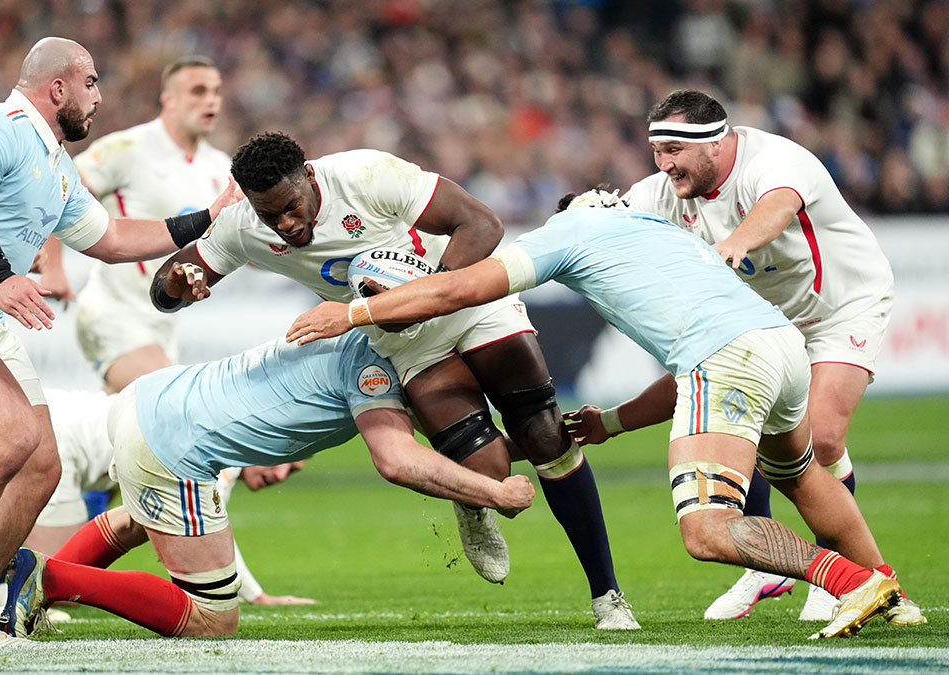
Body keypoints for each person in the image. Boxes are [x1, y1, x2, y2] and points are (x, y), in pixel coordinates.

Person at [286, 190, 911, 640]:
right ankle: (892, 592)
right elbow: (713, 360)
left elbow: (459, 289)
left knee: (708, 530)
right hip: (778, 346)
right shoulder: (662, 230)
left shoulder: (569, 232)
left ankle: (851, 582)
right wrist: (611, 423)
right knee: (800, 476)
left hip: (724, 360)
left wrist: (353, 313)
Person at [150, 132, 638, 629]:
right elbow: (167, 285)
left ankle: (608, 595)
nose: (285, 224)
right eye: (268, 215)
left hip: (468, 302)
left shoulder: (365, 175)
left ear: (310, 177)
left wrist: (426, 292)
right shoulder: (241, 226)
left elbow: (481, 224)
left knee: (544, 433)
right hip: (405, 342)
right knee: (485, 473)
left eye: (291, 207)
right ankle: (472, 504)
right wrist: (177, 284)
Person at [0, 37, 241, 648]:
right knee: (12, 436)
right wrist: (3, 276)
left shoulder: (56, 162)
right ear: (58, 87)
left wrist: (207, 217)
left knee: (42, 467)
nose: (98, 96)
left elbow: (113, 238)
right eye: (91, 82)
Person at [0, 332, 534, 639]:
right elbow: (396, 460)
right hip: (172, 439)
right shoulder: (376, 365)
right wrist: (495, 494)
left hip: (148, 400)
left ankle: (36, 589)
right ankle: (48, 578)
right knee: (213, 616)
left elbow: (441, 437)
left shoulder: (347, 334)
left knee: (142, 519)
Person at [623, 89, 922, 625]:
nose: (664, 164)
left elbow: (777, 206)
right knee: (757, 436)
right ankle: (769, 568)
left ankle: (833, 580)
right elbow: (615, 222)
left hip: (840, 307)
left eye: (673, 150)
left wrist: (734, 244)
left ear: (713, 145)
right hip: (767, 325)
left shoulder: (776, 160)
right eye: (656, 152)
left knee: (823, 438)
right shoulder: (662, 191)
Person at [22, 388, 314, 606]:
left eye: (292, 473)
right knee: (51, 586)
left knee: (42, 563)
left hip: (53, 412)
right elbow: (210, 539)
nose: (279, 475)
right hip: (59, 437)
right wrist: (257, 596)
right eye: (285, 462)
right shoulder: (227, 453)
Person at [70, 56, 231, 393]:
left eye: (216, 91)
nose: (211, 99)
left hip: (163, 320)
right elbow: (61, 191)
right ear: (169, 99)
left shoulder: (220, 168)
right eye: (198, 91)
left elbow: (242, 239)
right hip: (112, 311)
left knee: (127, 434)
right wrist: (53, 264)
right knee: (172, 401)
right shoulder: (128, 148)